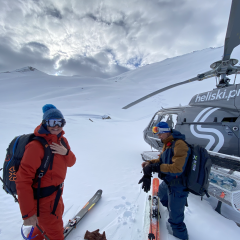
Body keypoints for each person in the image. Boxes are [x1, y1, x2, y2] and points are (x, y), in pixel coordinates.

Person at [16, 104, 76, 240]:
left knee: (48, 222)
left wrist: (65, 152)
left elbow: (72, 162)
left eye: (60, 122)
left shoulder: (62, 141)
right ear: (45, 123)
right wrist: (27, 213)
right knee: (55, 233)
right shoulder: (35, 147)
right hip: (43, 201)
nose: (56, 126)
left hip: (57, 194)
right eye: (52, 122)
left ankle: (37, 237)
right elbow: (23, 180)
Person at [139, 121, 190, 240]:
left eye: (159, 133)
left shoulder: (180, 145)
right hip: (169, 181)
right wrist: (150, 163)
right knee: (161, 194)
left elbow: (177, 169)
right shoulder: (168, 143)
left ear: (166, 132)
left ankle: (179, 230)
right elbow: (162, 160)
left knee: (176, 222)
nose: (158, 136)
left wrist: (155, 167)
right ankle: (171, 208)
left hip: (178, 186)